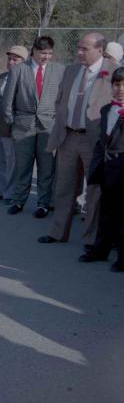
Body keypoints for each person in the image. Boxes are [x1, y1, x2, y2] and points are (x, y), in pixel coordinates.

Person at [39, 32, 111, 248]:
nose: (79, 52)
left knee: (94, 192)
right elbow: (61, 101)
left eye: (85, 49)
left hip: (94, 140)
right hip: (68, 136)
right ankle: (58, 231)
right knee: (64, 186)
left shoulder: (112, 72)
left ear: (99, 50)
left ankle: (91, 239)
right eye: (78, 48)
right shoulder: (71, 70)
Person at [1, 35, 65, 217]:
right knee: (23, 167)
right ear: (34, 51)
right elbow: (7, 102)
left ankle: (43, 203)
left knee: (47, 168)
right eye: (43, 53)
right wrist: (13, 123)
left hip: (48, 126)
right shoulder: (20, 70)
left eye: (50, 53)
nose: (46, 57)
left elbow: (63, 99)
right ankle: (18, 200)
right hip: (23, 125)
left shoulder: (59, 70)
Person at [80, 66, 124, 270]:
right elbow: (102, 141)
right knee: (106, 212)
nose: (120, 89)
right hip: (107, 169)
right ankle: (101, 249)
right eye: (116, 85)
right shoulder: (107, 109)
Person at [0, 46, 27, 203]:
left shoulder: (25, 80)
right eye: (9, 58)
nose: (11, 62)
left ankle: (11, 194)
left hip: (11, 129)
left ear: (24, 61)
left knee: (12, 163)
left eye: (15, 59)